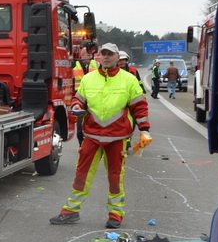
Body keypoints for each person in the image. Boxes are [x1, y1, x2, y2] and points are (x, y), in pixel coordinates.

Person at [49, 42, 151, 229]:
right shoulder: (89, 79)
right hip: (92, 135)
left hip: (117, 138)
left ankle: (115, 214)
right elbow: (78, 100)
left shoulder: (128, 79)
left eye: (110, 54)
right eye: (103, 54)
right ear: (99, 57)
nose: (106, 57)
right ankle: (71, 211)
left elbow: (139, 106)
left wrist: (144, 129)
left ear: (117, 57)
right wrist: (77, 108)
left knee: (115, 177)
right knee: (81, 174)